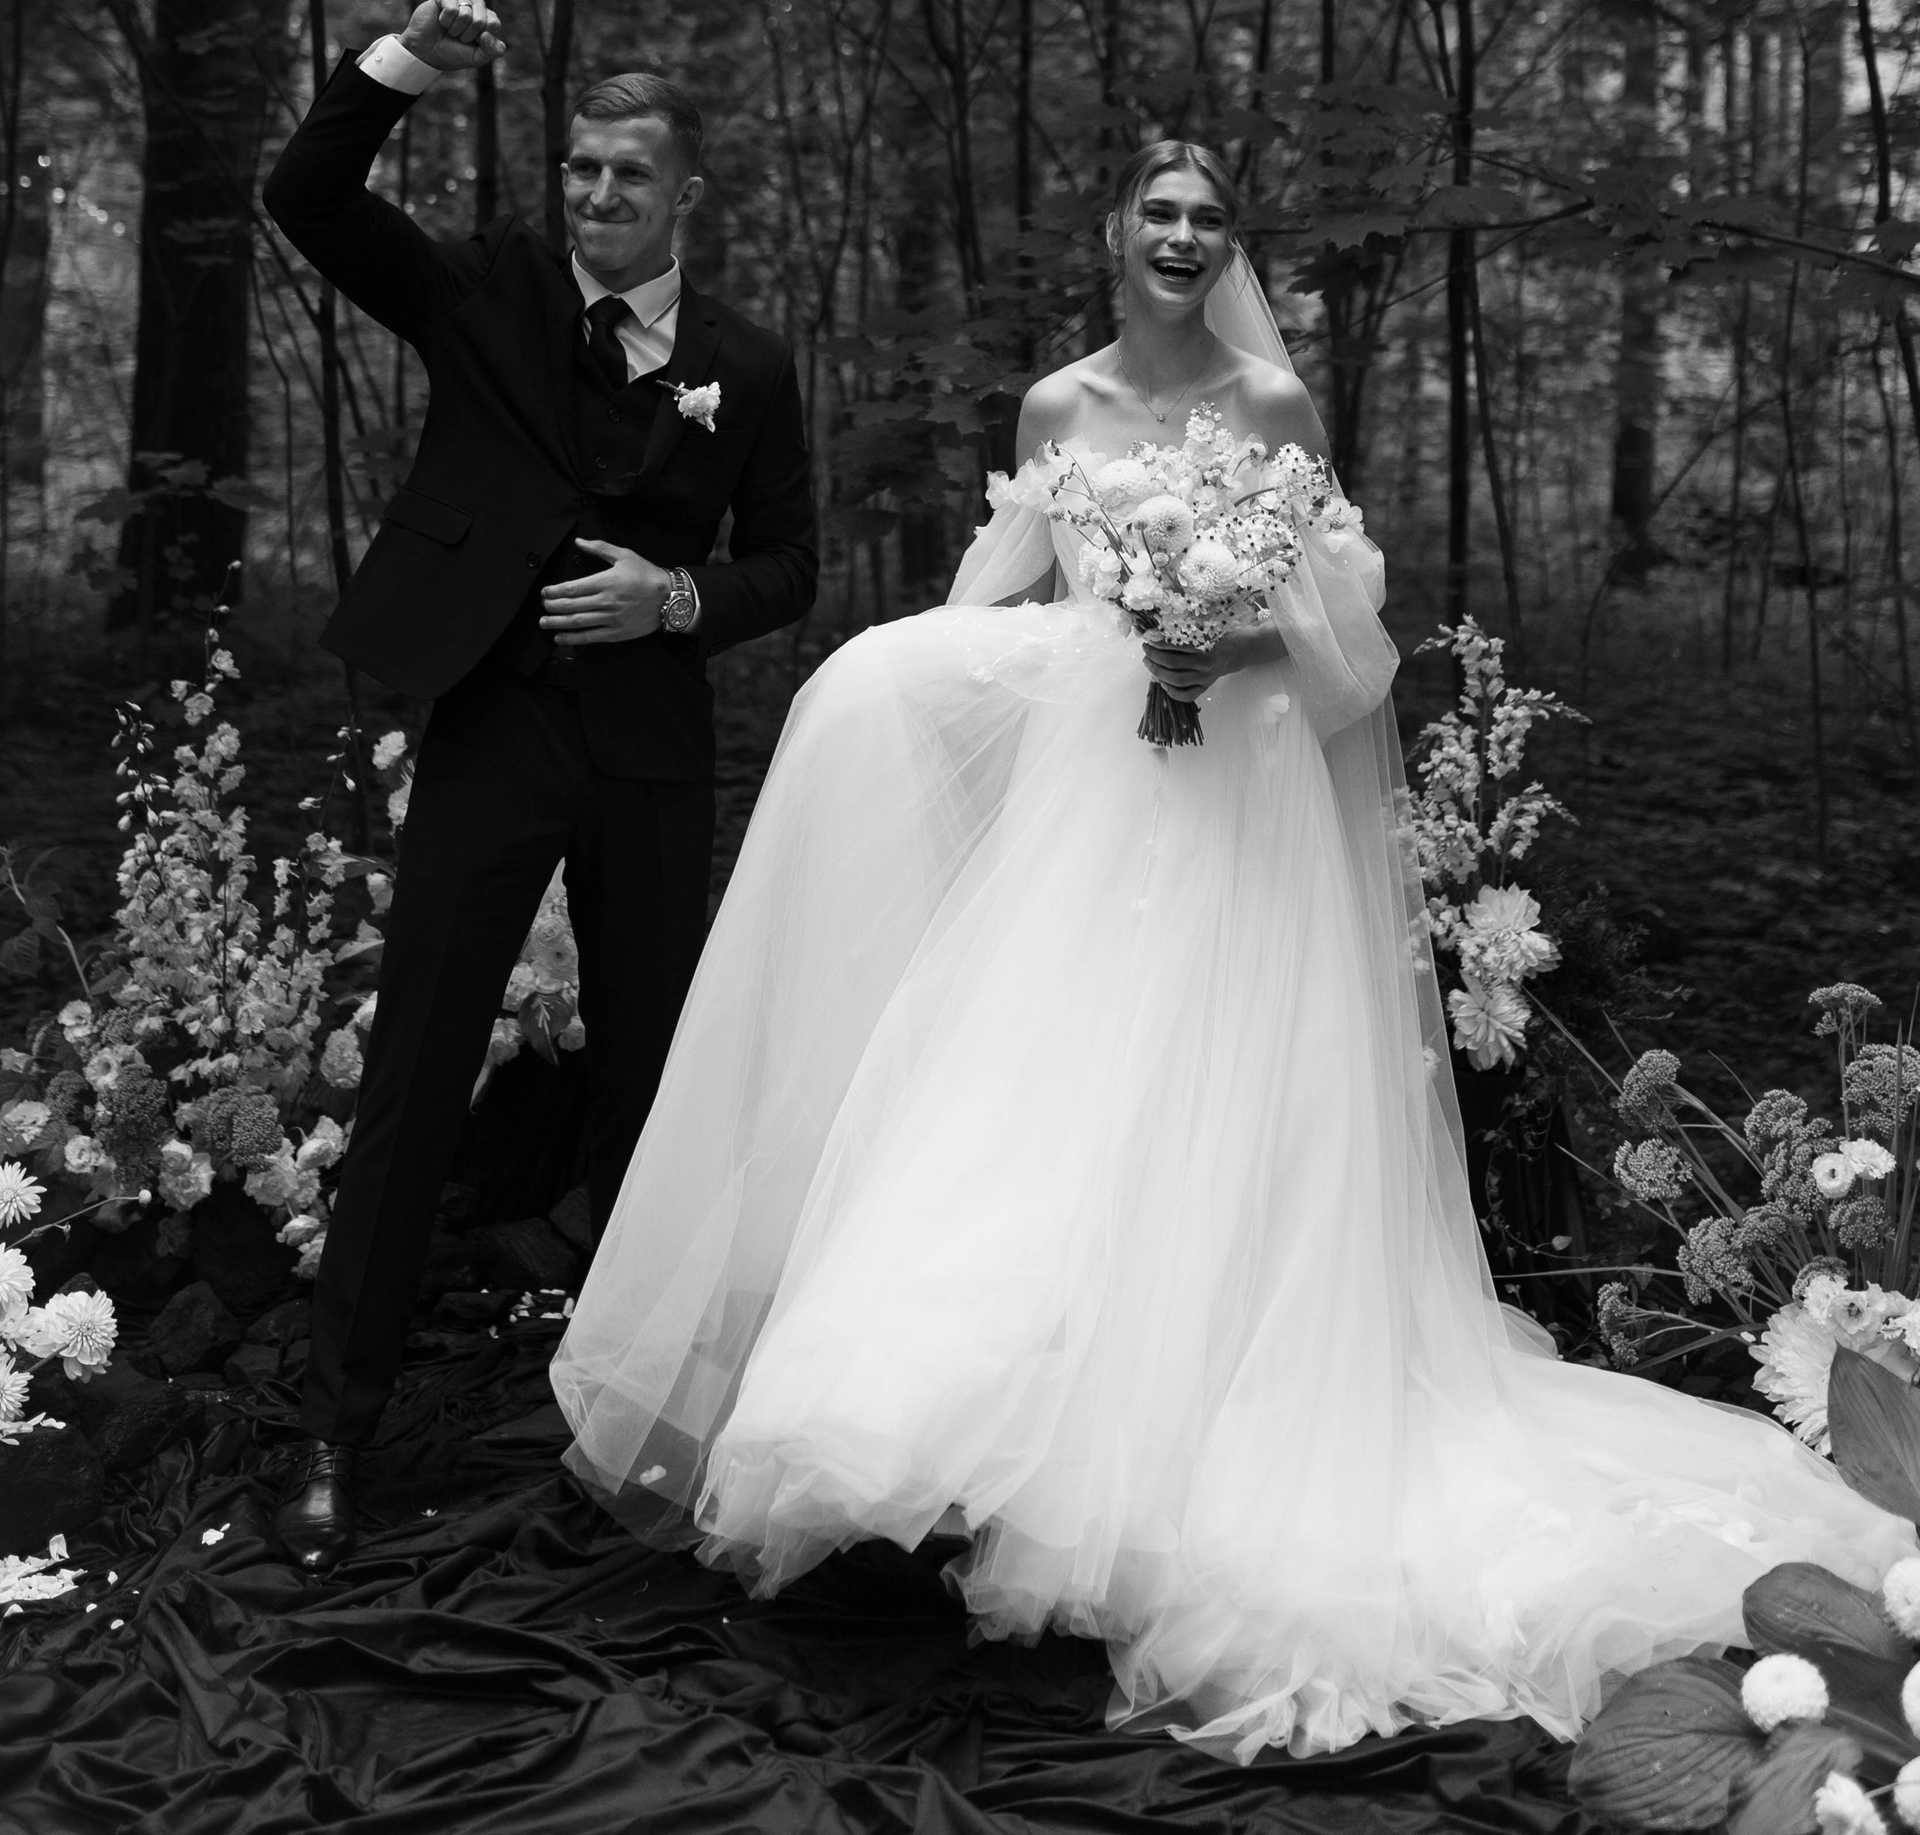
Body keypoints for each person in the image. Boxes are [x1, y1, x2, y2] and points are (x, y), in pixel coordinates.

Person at [551, 138, 1906, 1759]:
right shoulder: (1054, 409)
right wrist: (899, 681)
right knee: (1044, 1109)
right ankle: (977, 1450)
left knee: (1216, 1110)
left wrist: (1222, 638)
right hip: (1093, 813)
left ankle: (1170, 1464)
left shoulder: (1272, 407)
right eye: (1160, 212)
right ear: (1116, 231)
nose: (1183, 237)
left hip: (1239, 818)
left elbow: (1349, 644)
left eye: (1209, 218)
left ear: (1227, 246)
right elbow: (1007, 605)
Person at [261, 0, 817, 1573]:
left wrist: (677, 598)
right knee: (417, 1065)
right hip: (492, 723)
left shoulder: (747, 363)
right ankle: (334, 1428)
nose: (598, 194)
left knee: (647, 1086)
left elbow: (791, 563)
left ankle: (637, 1428)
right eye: (581, 168)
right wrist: (404, 66)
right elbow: (307, 195)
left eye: (630, 174)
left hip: (647, 744)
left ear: (685, 191)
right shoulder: (485, 291)